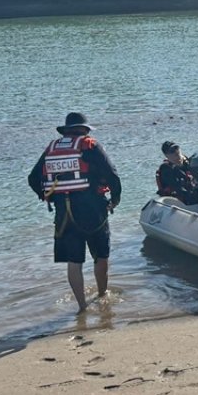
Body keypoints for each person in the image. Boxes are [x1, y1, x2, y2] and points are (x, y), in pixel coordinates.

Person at [27, 112, 122, 313]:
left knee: (74, 261)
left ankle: (82, 306)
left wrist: (48, 196)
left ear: (66, 130)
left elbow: (33, 178)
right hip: (93, 211)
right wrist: (115, 200)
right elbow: (113, 176)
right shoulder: (90, 146)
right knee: (101, 256)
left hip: (64, 214)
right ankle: (102, 295)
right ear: (85, 129)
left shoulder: (52, 149)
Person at [155, 141, 198, 209]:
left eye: (176, 149)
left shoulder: (187, 162)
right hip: (178, 200)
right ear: (166, 155)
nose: (176, 153)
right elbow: (180, 191)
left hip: (191, 193)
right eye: (171, 152)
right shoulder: (167, 170)